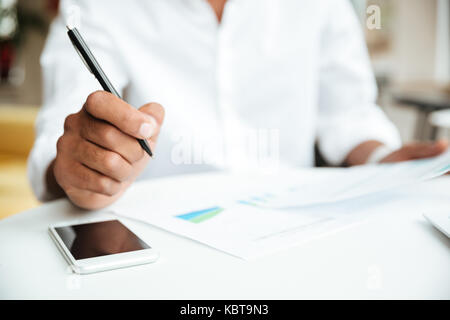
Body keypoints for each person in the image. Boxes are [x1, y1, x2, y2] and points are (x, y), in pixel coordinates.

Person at [28, 0, 448, 210]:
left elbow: (348, 116)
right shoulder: (99, 7)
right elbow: (58, 143)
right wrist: (78, 167)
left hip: (290, 228)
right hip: (147, 235)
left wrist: (385, 158)